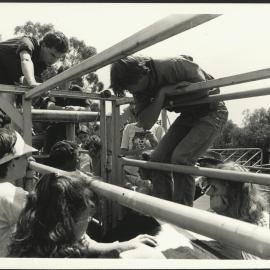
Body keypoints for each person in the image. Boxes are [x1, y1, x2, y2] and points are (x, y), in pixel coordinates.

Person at [110, 54, 228, 206]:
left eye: (132, 85)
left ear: (143, 72)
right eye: (128, 88)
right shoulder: (138, 89)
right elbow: (145, 122)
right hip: (188, 114)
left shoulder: (172, 65)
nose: (132, 90)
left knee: (181, 158)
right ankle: (165, 211)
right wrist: (162, 94)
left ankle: (182, 214)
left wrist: (165, 100)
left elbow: (203, 88)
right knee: (157, 159)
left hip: (212, 111)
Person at [8, 173, 158, 258]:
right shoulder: (64, 259)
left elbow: (87, 244)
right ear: (66, 223)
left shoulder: (33, 235)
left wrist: (121, 245)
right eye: (86, 217)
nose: (89, 221)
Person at [203, 161, 269, 259]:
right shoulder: (217, 214)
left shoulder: (261, 224)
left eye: (214, 188)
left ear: (233, 194)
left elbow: (257, 262)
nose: (208, 193)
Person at [0, 128, 37, 256]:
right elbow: (45, 219)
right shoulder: (8, 193)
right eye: (25, 156)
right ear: (12, 163)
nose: (28, 160)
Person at [0, 31, 69, 88]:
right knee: (7, 96)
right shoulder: (28, 43)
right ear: (44, 45)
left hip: (5, 74)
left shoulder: (41, 64)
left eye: (58, 58)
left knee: (12, 98)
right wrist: (32, 82)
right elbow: (26, 60)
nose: (54, 60)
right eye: (52, 55)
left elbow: (28, 83)